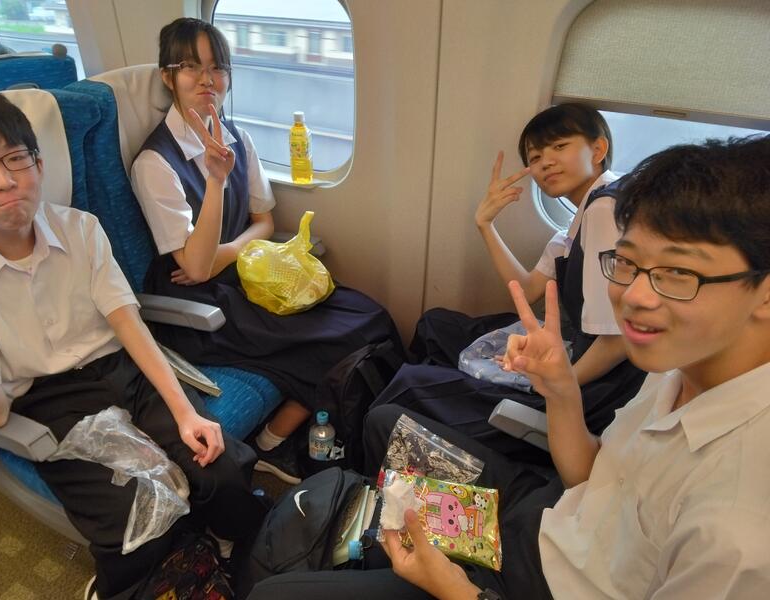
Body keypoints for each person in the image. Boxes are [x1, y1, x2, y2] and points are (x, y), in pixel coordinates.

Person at [247, 134, 770, 599]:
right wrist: (560, 388)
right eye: (628, 263)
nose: (633, 296)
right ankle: (361, 543)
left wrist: (455, 589)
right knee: (385, 420)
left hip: (532, 586)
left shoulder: (737, 531)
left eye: (677, 272)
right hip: (551, 516)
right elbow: (593, 477)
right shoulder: (678, 369)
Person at [0, 88, 268, 600]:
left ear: (39, 164)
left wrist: (186, 414)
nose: (4, 180)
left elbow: (129, 325)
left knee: (219, 469)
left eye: (16, 158)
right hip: (45, 402)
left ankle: (241, 554)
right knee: (134, 517)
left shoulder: (80, 230)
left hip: (120, 370)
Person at [130, 18, 401, 484]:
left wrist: (231, 250)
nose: (207, 80)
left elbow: (265, 223)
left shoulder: (238, 137)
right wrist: (216, 184)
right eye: (191, 67)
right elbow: (194, 267)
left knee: (370, 317)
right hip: (197, 305)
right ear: (167, 77)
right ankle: (274, 444)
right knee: (339, 339)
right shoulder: (155, 163)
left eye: (217, 68)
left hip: (245, 272)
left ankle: (286, 435)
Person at [373, 104, 644, 462]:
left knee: (407, 388)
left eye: (559, 146)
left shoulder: (604, 211)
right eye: (535, 157)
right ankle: (451, 395)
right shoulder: (582, 216)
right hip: (576, 357)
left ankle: (437, 405)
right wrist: (485, 224)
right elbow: (528, 289)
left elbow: (617, 340)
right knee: (436, 325)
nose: (545, 163)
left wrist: (554, 385)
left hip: (596, 388)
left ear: (598, 150)